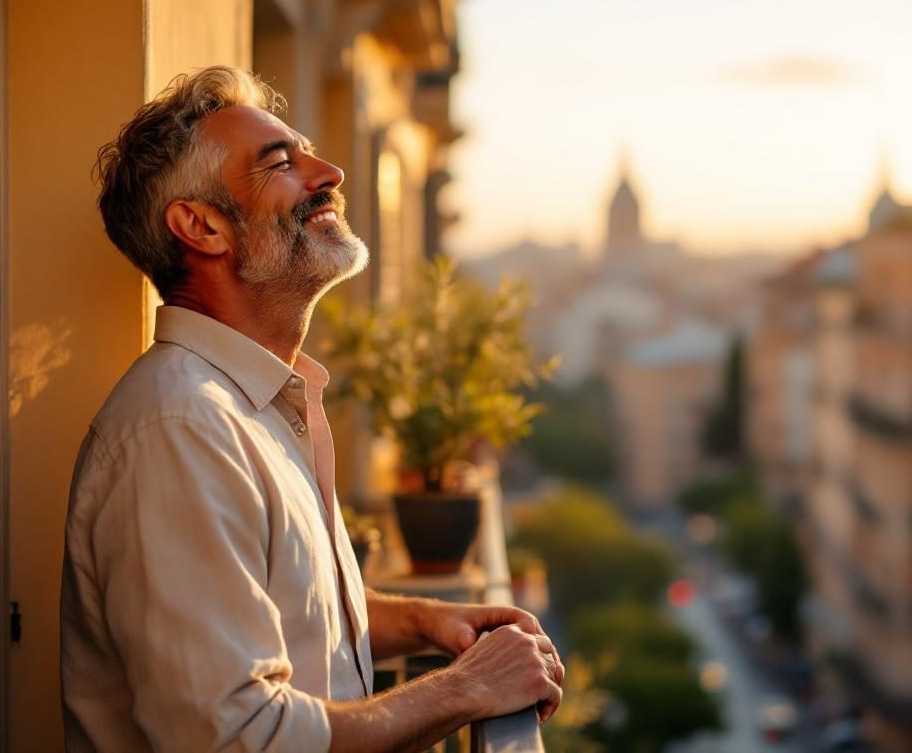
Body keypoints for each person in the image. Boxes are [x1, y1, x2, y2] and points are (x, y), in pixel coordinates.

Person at [60, 66, 563, 752]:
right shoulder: (181, 431)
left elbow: (285, 610)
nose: (329, 173)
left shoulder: (257, 404)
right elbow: (239, 737)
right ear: (203, 226)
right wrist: (469, 687)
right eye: (281, 163)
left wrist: (423, 623)